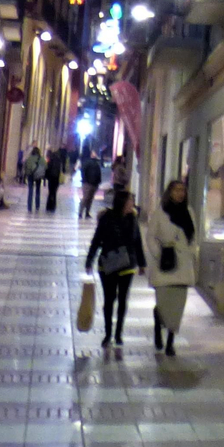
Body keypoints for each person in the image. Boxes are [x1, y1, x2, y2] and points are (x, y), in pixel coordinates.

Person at [84, 189, 146, 346]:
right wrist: (89, 260)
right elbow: (97, 239)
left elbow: (137, 241)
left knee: (123, 299)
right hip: (108, 264)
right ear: (122, 202)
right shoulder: (107, 217)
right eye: (130, 201)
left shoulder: (133, 219)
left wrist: (142, 263)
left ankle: (119, 333)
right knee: (109, 299)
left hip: (127, 264)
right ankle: (108, 333)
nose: (132, 203)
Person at [147, 177, 197, 357]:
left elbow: (194, 237)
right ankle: (158, 321)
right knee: (164, 304)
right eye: (176, 190)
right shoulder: (160, 212)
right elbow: (150, 236)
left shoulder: (189, 212)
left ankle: (170, 342)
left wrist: (191, 253)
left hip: (182, 266)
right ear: (170, 192)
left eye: (182, 190)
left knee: (177, 307)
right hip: (165, 265)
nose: (180, 193)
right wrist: (159, 252)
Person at [79, 151, 104, 218]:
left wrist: (98, 181)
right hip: (88, 183)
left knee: (90, 199)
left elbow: (98, 173)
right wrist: (85, 179)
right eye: (93, 154)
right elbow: (83, 171)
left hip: (94, 183)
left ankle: (87, 212)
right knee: (86, 198)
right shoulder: (88, 163)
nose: (95, 155)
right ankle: (81, 212)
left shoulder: (96, 163)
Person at [23, 146, 45, 212]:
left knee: (30, 191)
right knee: (38, 190)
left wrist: (27, 173)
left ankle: (29, 207)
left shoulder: (29, 158)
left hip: (30, 176)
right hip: (38, 176)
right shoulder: (41, 159)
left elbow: (25, 166)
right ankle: (37, 206)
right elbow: (45, 166)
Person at [45, 147, 63, 213]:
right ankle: (53, 206)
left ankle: (48, 206)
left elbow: (47, 169)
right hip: (56, 179)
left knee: (50, 192)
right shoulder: (59, 161)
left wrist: (47, 177)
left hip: (51, 178)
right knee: (54, 193)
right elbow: (60, 171)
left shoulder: (50, 160)